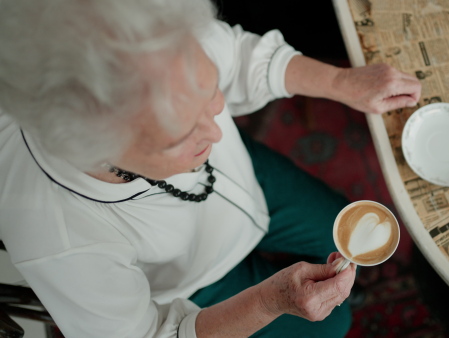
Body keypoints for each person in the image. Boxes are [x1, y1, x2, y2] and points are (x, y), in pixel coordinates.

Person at [0, 0, 421, 337]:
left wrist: (340, 83)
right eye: (181, 134)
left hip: (246, 177)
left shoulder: (153, 30)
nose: (218, 129)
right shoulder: (57, 235)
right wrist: (268, 302)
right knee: (335, 323)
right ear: (96, 150)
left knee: (341, 225)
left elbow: (239, 57)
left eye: (210, 91)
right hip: (196, 286)